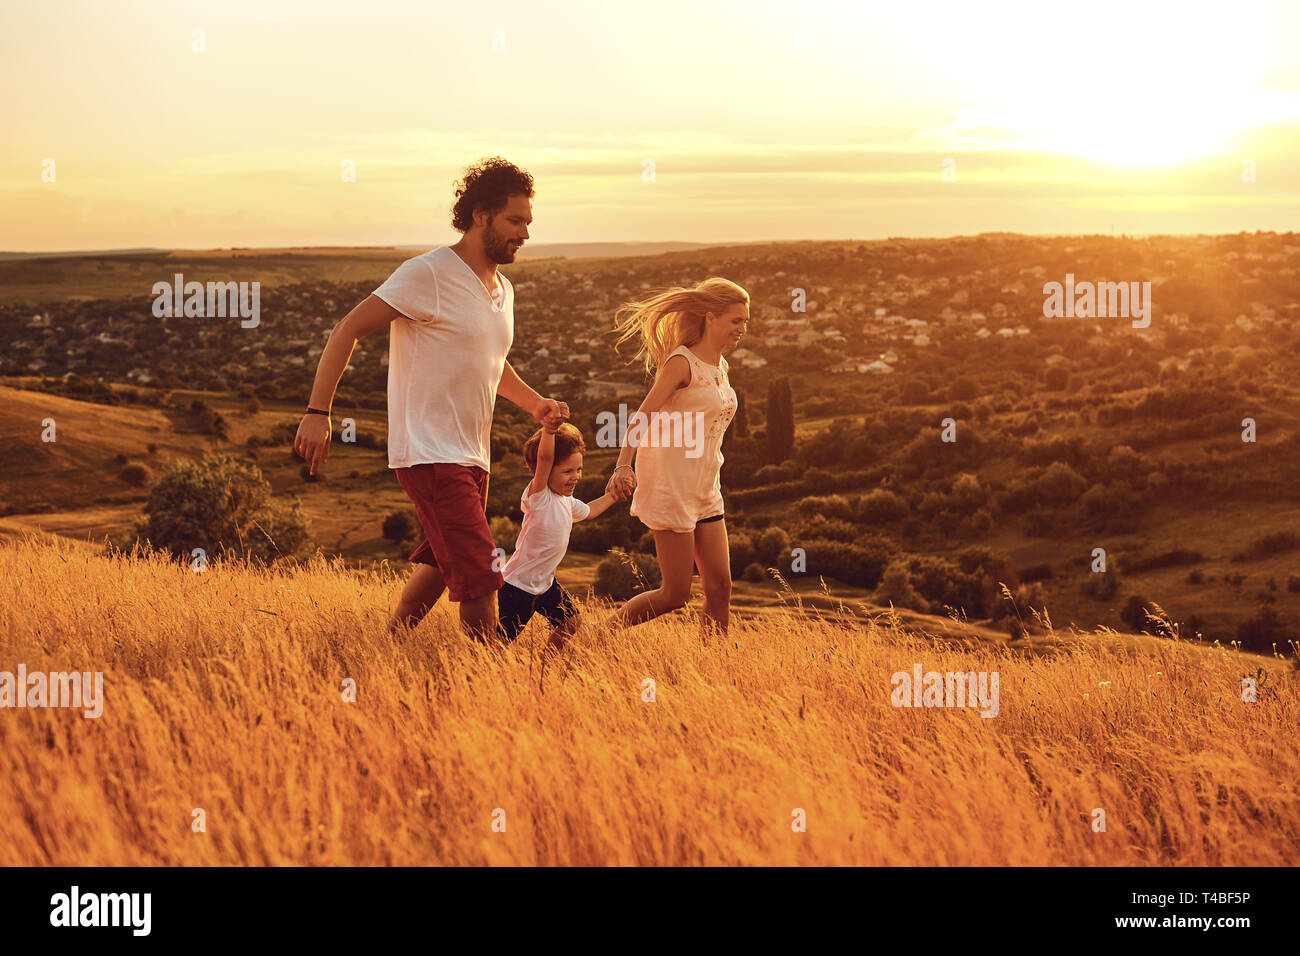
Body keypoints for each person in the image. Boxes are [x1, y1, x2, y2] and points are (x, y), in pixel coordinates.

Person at [293, 157, 568, 641]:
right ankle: (486, 682)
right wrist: (318, 412)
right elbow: (348, 329)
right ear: (480, 214)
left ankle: (390, 645)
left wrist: (533, 403)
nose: (525, 233)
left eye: (528, 221)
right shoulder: (429, 273)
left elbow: (489, 361)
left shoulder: (503, 290)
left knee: (443, 565)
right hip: (429, 453)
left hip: (470, 455)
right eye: (515, 220)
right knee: (482, 575)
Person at [601, 277, 749, 639]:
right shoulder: (682, 363)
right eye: (736, 320)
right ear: (711, 317)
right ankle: (595, 634)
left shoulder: (720, 366)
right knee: (675, 594)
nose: (743, 329)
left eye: (745, 321)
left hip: (705, 488)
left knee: (720, 588)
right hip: (671, 487)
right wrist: (623, 464)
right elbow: (643, 414)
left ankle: (713, 667)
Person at [497, 421, 619, 647]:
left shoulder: (567, 502)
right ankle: (474, 670)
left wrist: (613, 495)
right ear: (544, 471)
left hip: (546, 585)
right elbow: (544, 458)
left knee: (571, 623)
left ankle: (547, 666)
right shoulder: (539, 496)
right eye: (567, 471)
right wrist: (549, 429)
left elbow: (590, 511)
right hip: (518, 587)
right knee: (499, 643)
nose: (576, 476)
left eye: (579, 469)